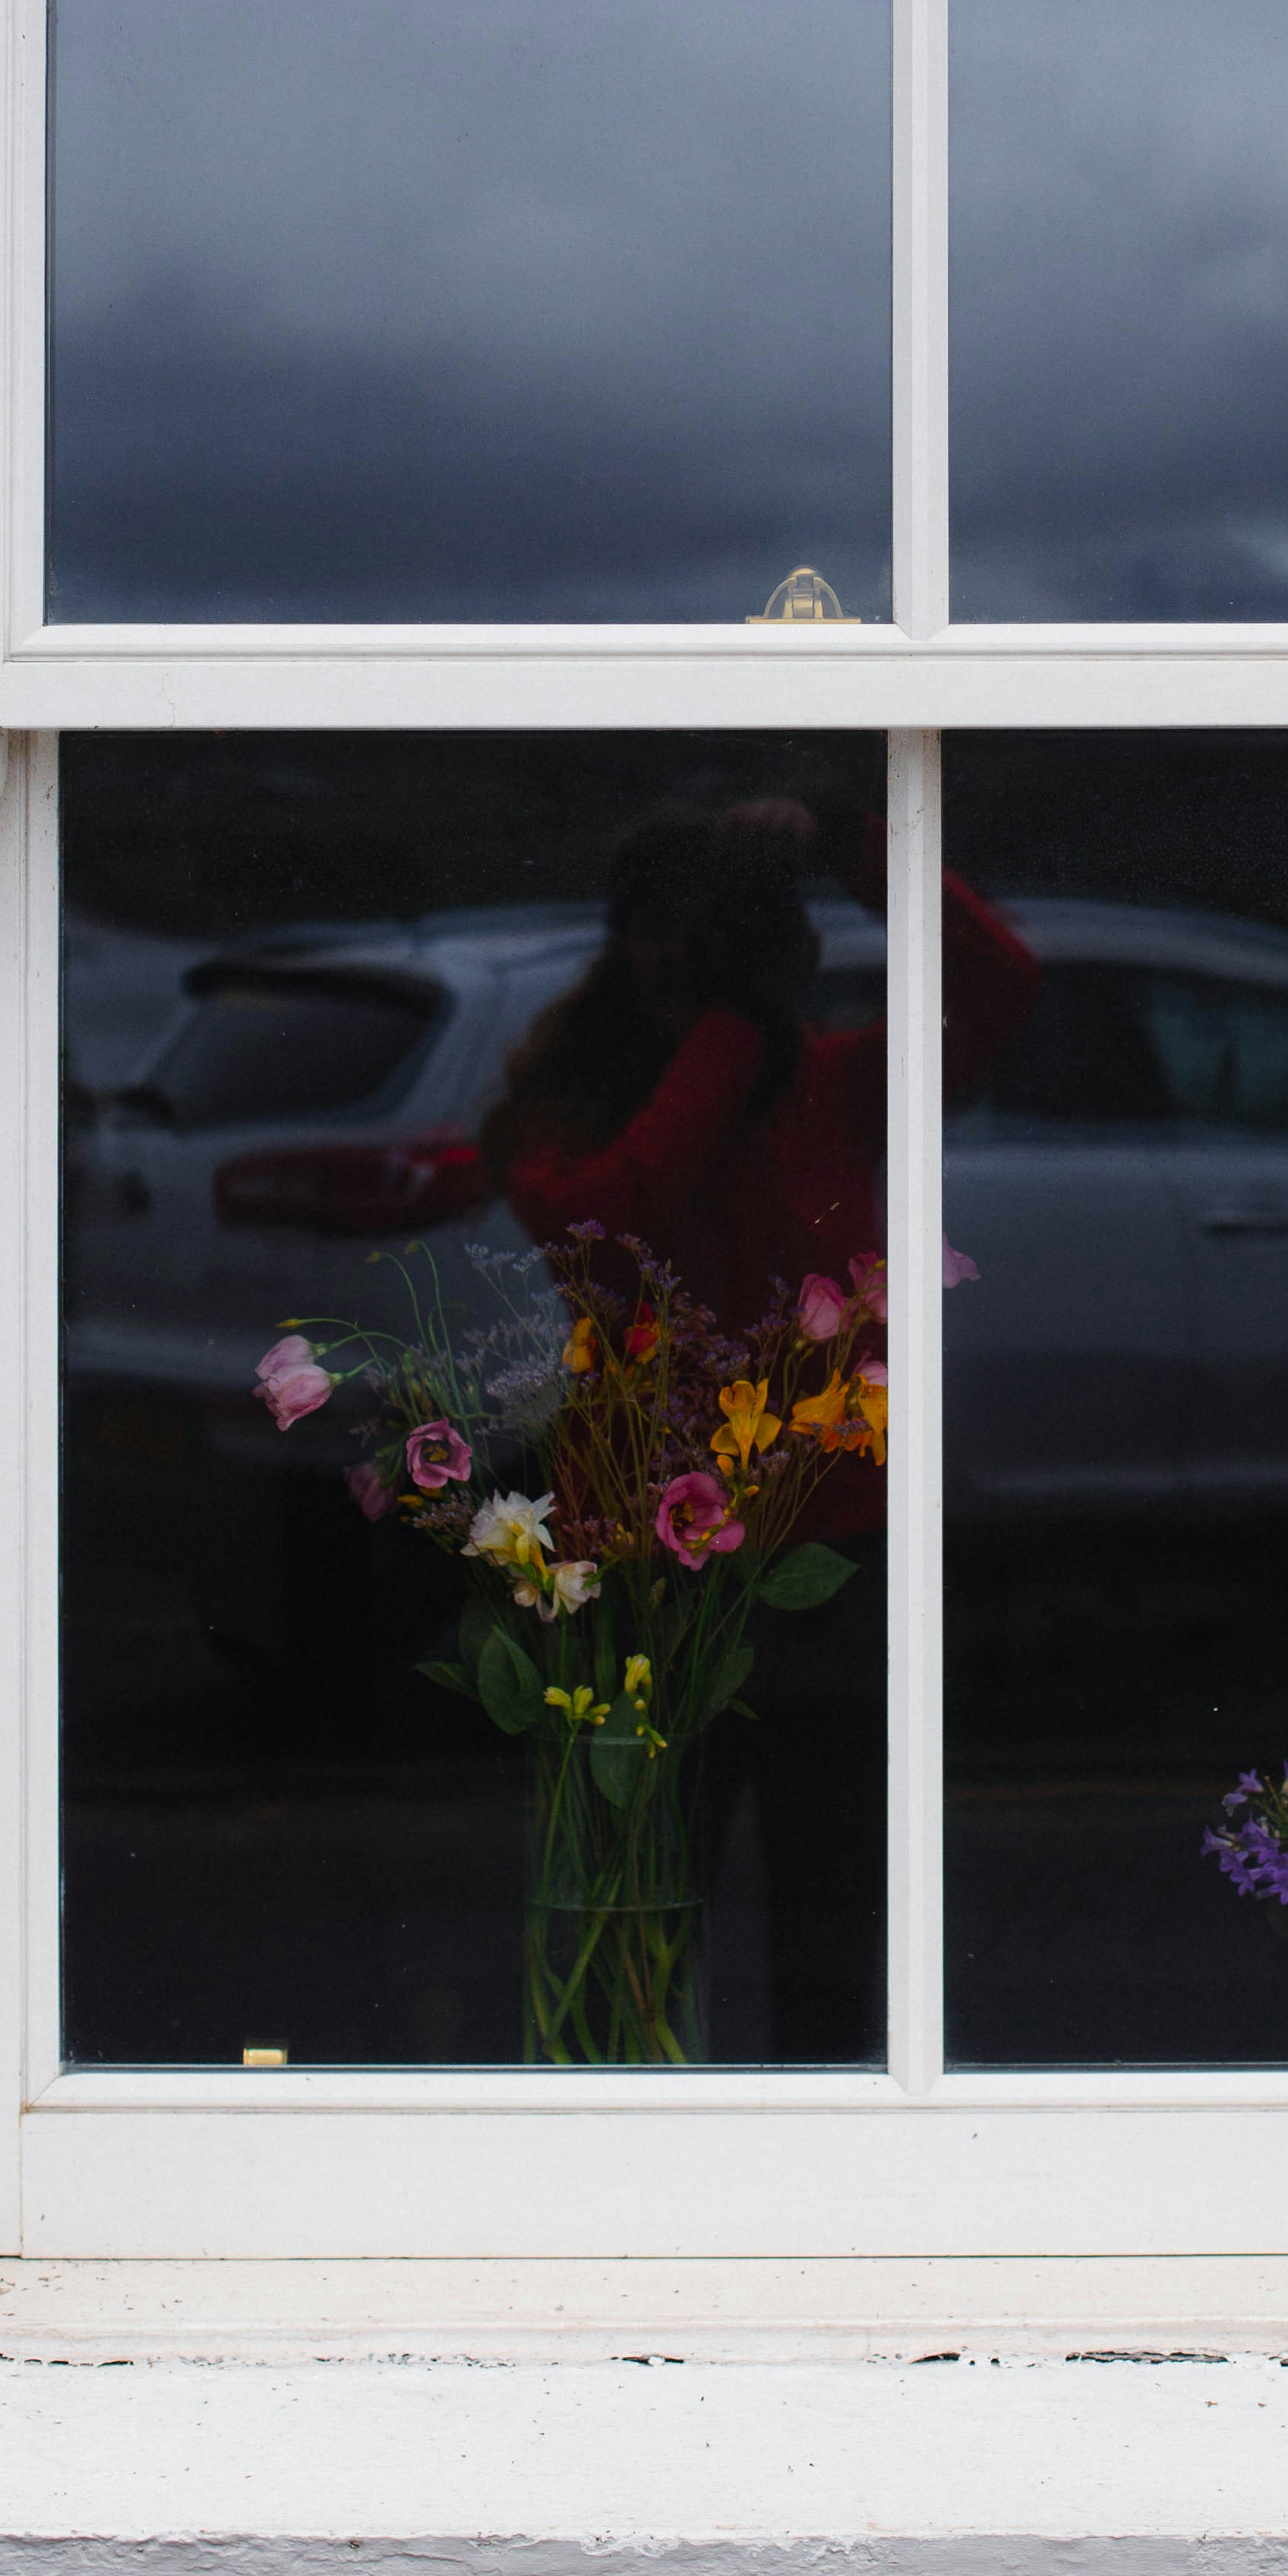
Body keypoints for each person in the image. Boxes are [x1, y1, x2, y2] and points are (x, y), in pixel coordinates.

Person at [483, 792, 1038, 2054]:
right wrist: (733, 1043)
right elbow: (609, 1244)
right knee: (631, 1915)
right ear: (627, 948)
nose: (697, 968)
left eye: (724, 939)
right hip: (645, 1564)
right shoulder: (575, 1113)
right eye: (674, 937)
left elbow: (997, 985)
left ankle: (825, 2172)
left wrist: (866, 833)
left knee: (830, 1913)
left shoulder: (839, 1089)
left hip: (823, 1555)